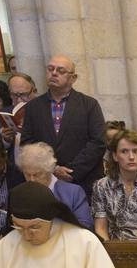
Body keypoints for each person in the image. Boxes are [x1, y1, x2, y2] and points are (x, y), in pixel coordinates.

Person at [19, 56, 107, 193]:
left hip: (84, 181)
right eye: (50, 69)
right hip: (46, 181)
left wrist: (71, 171)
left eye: (60, 70)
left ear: (73, 78)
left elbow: (98, 142)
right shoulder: (33, 107)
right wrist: (53, 169)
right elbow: (27, 143)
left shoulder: (89, 105)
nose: (54, 73)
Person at [17, 142, 93, 229]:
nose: (31, 180)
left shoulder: (73, 193)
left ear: (49, 170)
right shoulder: (19, 194)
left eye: (37, 174)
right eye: (27, 174)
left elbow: (86, 227)